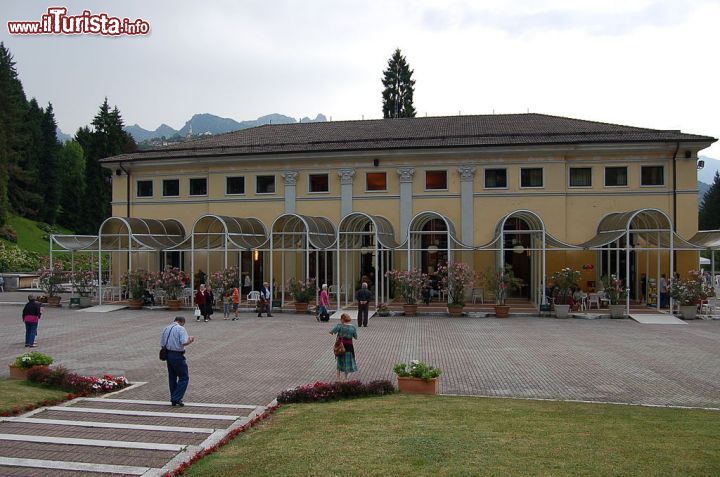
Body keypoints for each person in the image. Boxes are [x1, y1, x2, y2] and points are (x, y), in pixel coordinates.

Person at [160, 316, 195, 406]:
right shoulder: (180, 329)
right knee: (184, 377)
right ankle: (176, 398)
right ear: (182, 322)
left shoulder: (166, 328)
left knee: (172, 377)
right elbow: (184, 342)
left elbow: (162, 343)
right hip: (177, 355)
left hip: (168, 354)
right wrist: (190, 340)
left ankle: (173, 397)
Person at [329, 313, 357, 381]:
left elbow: (331, 332)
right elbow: (355, 337)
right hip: (349, 346)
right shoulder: (353, 327)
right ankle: (345, 378)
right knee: (347, 362)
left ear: (342, 319)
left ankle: (338, 378)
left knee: (339, 361)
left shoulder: (339, 326)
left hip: (340, 346)